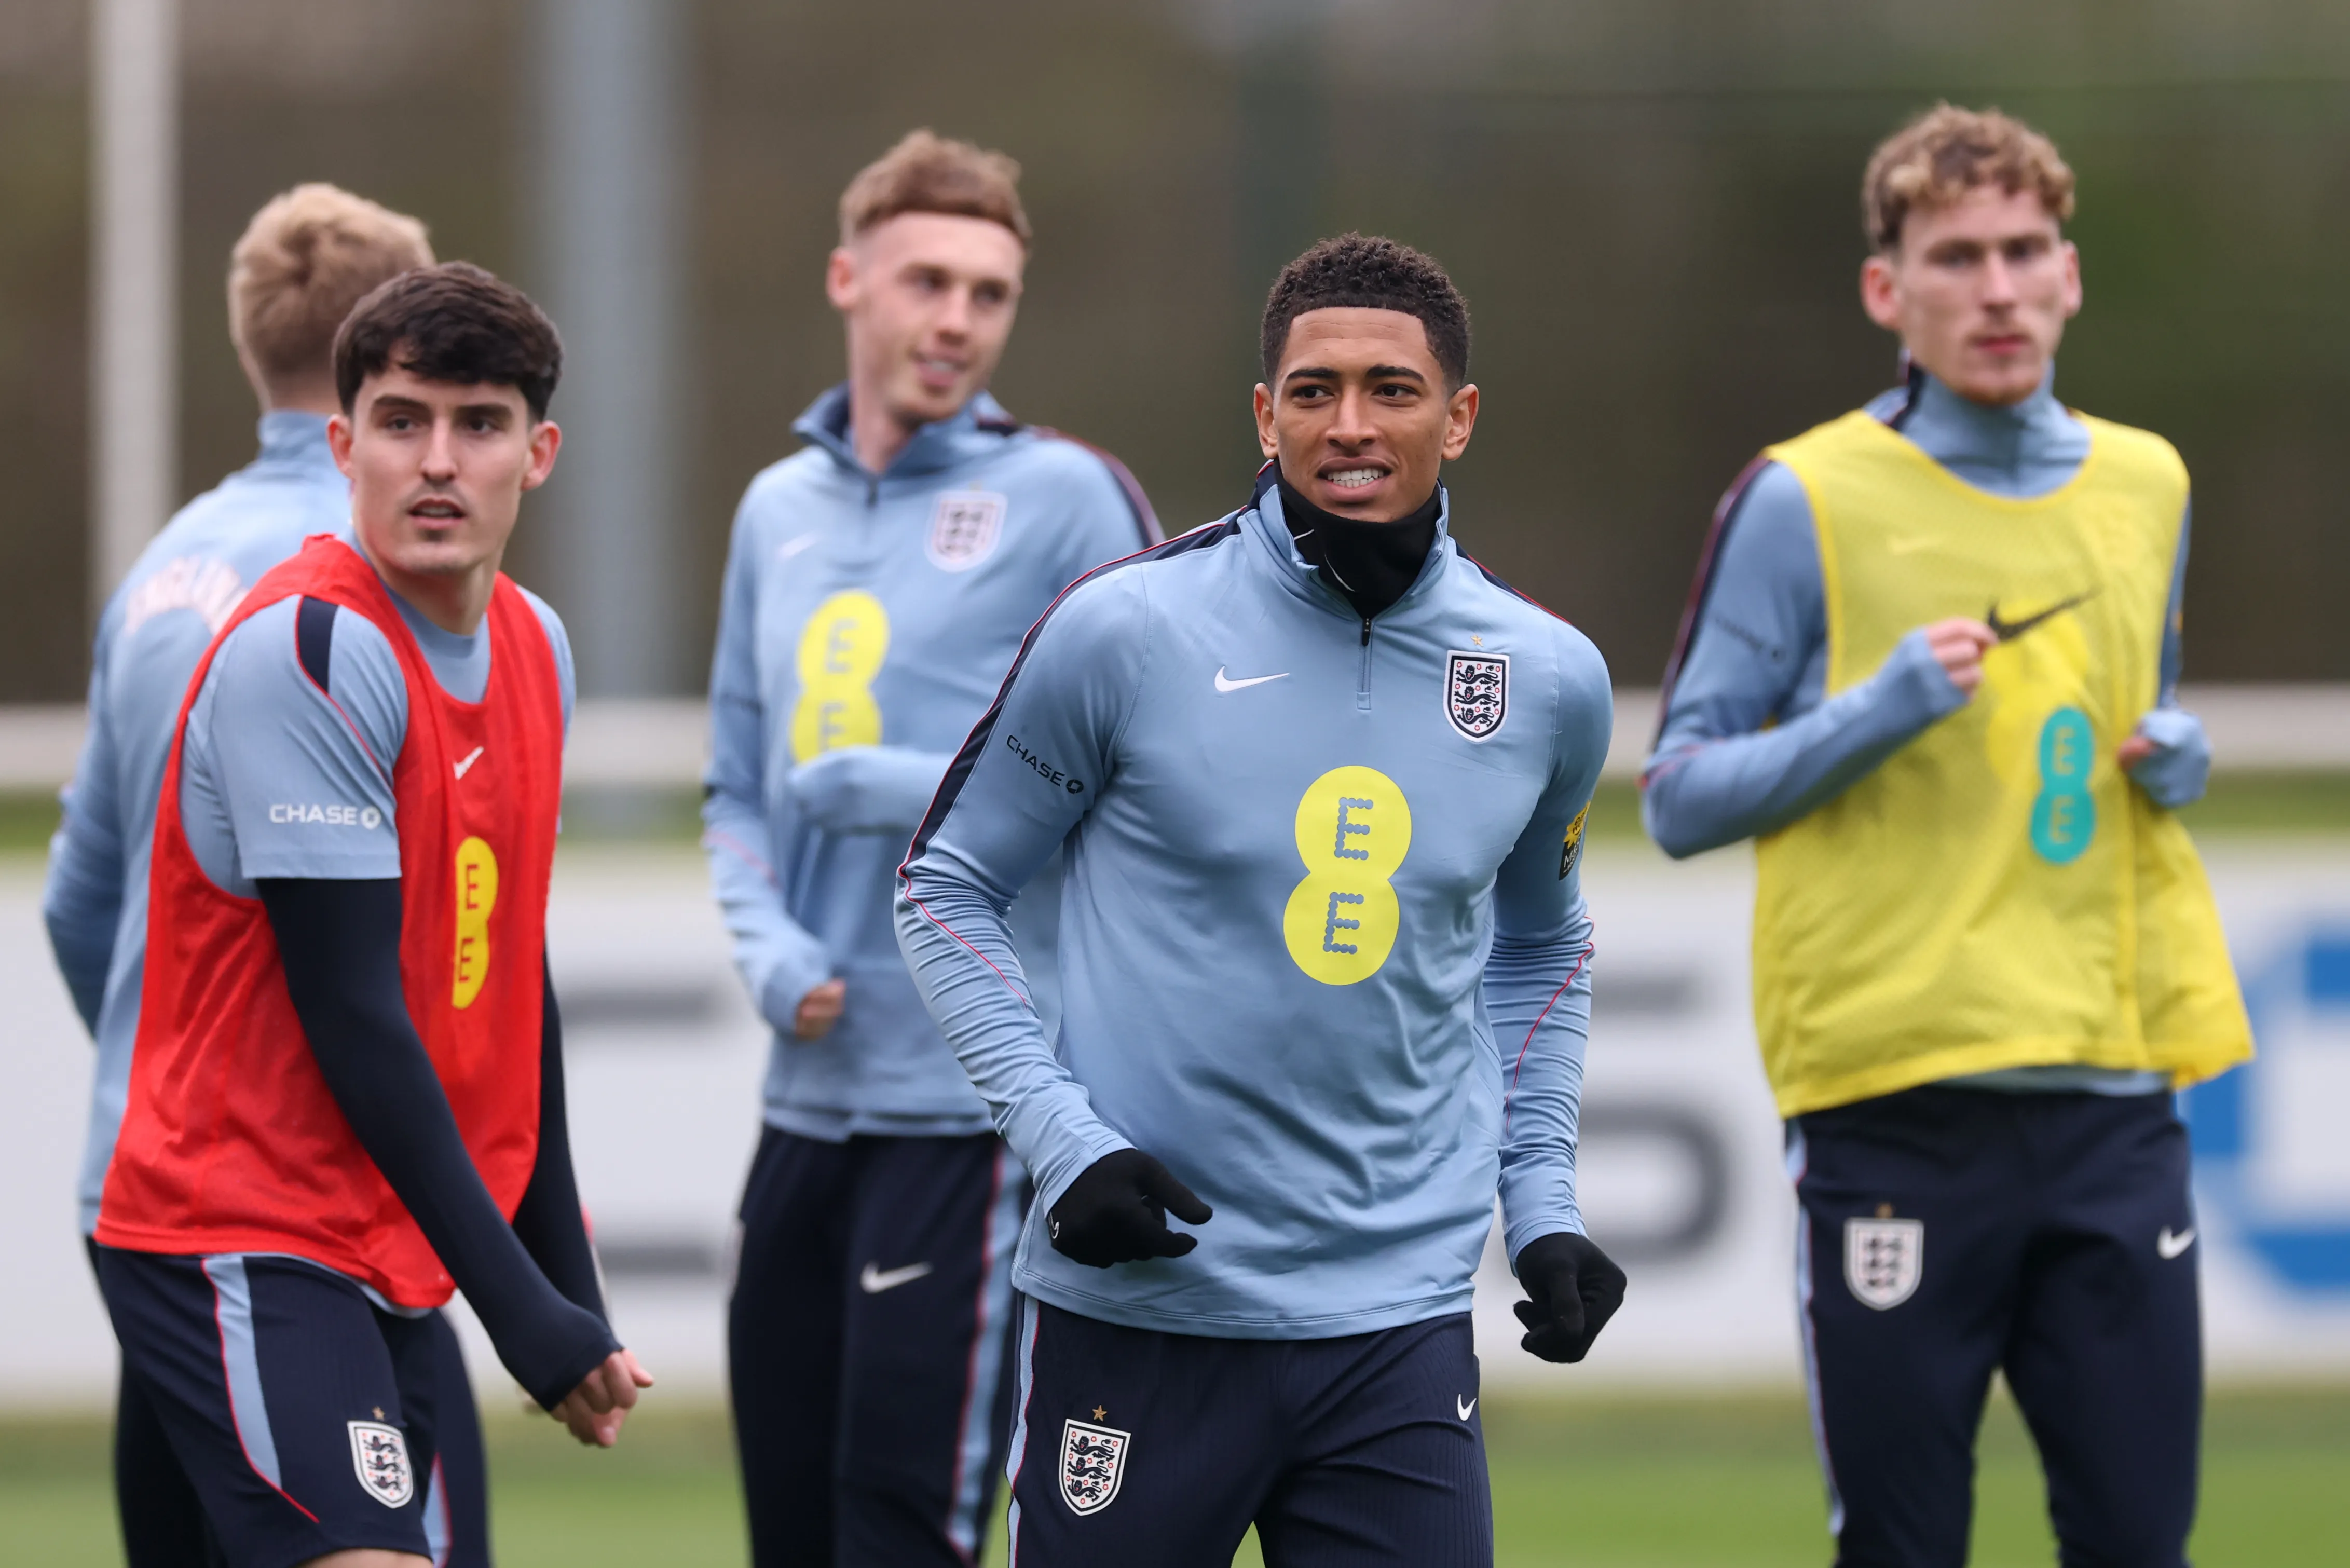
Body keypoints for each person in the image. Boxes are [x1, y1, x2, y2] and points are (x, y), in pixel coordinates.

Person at [896, 233, 1626, 1566]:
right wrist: (1066, 1143)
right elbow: (945, 889)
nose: (1349, 424)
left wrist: (1543, 1202)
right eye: (1313, 389)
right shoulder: (1126, 629)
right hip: (1144, 1309)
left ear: (1457, 418)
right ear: (1264, 413)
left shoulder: (1548, 678)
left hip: (1394, 1329)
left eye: (1391, 390)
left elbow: (1541, 947)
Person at [1643, 105, 2252, 1568]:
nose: (1997, 287)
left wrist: (2178, 761)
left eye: (2025, 250)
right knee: (1907, 1547)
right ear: (1887, 293)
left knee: (2138, 1541)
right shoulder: (1803, 497)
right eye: (1958, 255)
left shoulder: (2146, 479)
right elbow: (1678, 795)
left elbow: (2131, 721)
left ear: (2072, 274)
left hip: (2113, 1087)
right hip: (1897, 1099)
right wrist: (1881, 706)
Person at [90, 261, 652, 1568]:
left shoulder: (536, 646)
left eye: (480, 422)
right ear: (343, 444)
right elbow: (355, 1016)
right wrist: (522, 1310)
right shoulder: (313, 651)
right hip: (240, 1230)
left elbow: (512, 986)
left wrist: (564, 1286)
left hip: (379, 1234)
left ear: (541, 451)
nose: (438, 461)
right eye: (402, 422)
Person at [703, 128, 1158, 1567]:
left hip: (967, 1105)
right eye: (928, 282)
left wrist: (900, 782)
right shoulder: (776, 509)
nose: (956, 319)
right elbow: (732, 787)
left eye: (989, 292)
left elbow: (1149, 785)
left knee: (905, 1530)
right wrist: (766, 944)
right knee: (789, 1521)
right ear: (850, 280)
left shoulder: (1070, 498)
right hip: (806, 1102)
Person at [44, 185, 499, 1567]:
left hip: (150, 1189)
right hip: (324, 1208)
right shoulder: (397, 583)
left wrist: (176, 1074)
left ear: (252, 344)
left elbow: (82, 902)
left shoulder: (163, 567)